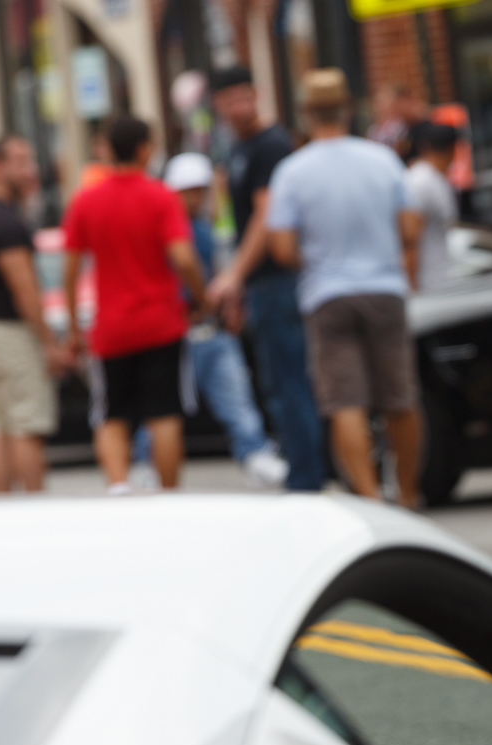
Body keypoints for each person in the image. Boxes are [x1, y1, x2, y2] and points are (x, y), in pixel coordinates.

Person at [266, 68, 424, 508]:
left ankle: (370, 497)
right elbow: (410, 227)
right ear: (348, 109)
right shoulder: (382, 159)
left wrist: (315, 256)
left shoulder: (292, 172)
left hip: (326, 292)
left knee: (345, 400)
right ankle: (408, 493)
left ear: (304, 114)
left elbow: (281, 247)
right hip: (384, 286)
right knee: (399, 397)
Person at [61, 115, 209, 493]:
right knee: (164, 413)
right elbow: (184, 257)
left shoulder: (86, 200)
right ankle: (168, 491)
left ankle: (118, 485)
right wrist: (201, 298)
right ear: (144, 149)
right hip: (160, 320)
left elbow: (70, 269)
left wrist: (75, 330)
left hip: (111, 326)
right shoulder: (161, 197)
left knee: (111, 413)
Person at [131, 153, 285, 489]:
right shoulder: (165, 227)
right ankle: (144, 462)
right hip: (178, 328)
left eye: (200, 191)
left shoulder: (206, 227)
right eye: (188, 191)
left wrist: (225, 306)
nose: (195, 198)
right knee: (161, 407)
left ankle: (254, 452)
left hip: (208, 330)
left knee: (234, 396)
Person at [206, 64, 325, 492]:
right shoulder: (237, 149)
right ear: (217, 104)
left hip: (278, 280)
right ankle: (302, 465)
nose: (239, 105)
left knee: (290, 380)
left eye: (245, 95)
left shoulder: (269, 146)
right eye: (229, 98)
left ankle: (307, 474)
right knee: (276, 380)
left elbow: (266, 213)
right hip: (260, 283)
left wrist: (234, 274)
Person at [0, 135, 71, 493]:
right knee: (27, 426)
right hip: (11, 331)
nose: (30, 170)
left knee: (2, 426)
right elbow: (25, 288)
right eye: (21, 162)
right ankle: (33, 507)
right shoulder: (5, 221)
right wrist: (48, 343)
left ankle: (3, 506)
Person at [404, 123, 459, 292]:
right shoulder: (420, 182)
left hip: (440, 281)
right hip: (427, 285)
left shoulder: (436, 179)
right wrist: (413, 289)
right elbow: (409, 239)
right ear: (453, 149)